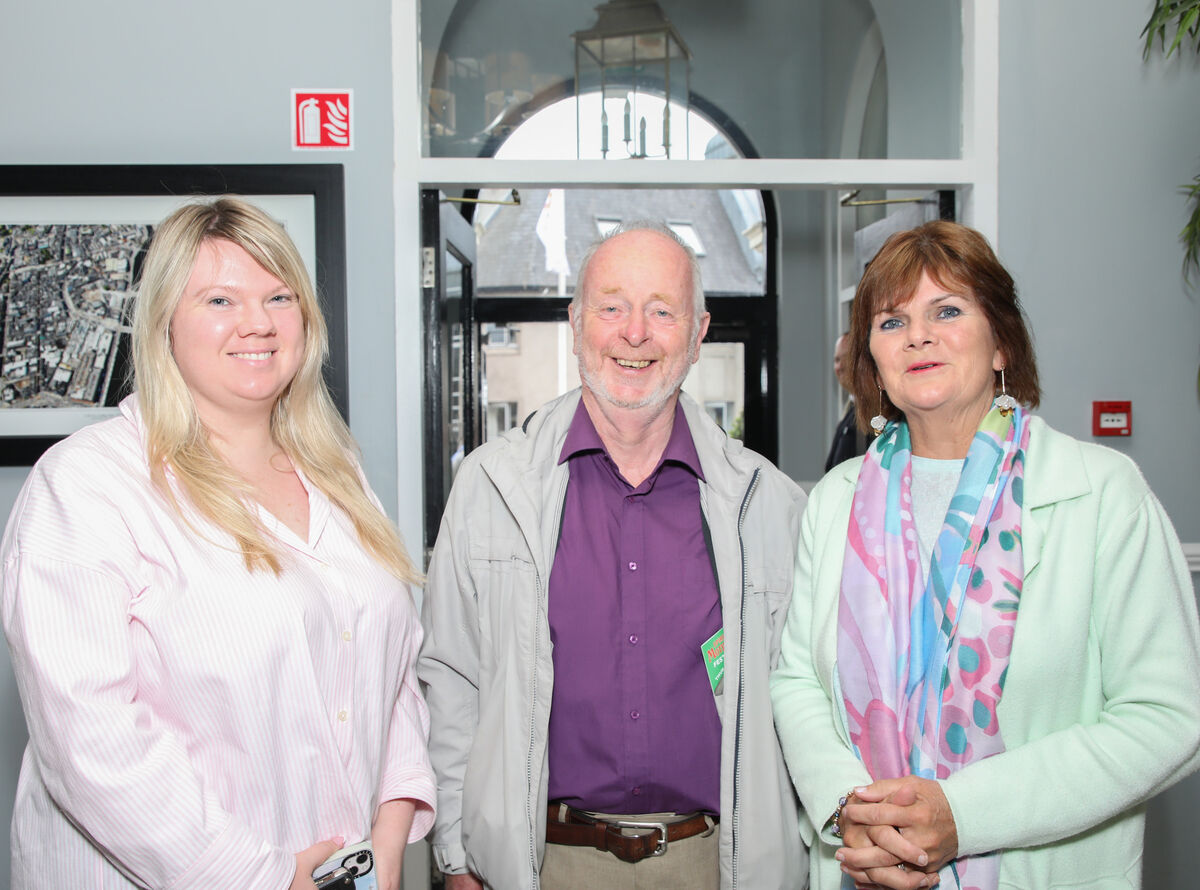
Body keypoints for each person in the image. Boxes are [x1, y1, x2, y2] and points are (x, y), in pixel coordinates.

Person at [0, 197, 436, 890]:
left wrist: (382, 852)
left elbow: (391, 676)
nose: (257, 323)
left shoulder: (337, 473)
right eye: (220, 299)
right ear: (165, 322)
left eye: (278, 296)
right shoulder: (87, 485)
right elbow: (91, 741)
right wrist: (258, 876)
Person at [770, 219, 1200, 890]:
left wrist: (962, 815)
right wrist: (851, 809)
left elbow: (1169, 716)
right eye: (891, 321)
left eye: (947, 310)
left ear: (1001, 341)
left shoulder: (1101, 493)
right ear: (872, 361)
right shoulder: (835, 502)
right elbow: (796, 681)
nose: (918, 335)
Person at [419, 221, 807, 890]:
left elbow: (800, 699)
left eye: (662, 310)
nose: (635, 333)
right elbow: (453, 682)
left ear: (697, 332)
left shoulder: (768, 504)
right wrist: (457, 858)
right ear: (576, 324)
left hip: (714, 864)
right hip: (541, 864)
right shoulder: (491, 487)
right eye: (612, 306)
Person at [824, 332, 865, 472]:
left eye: (847, 358)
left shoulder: (874, 413)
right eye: (836, 360)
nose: (840, 366)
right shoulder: (852, 409)